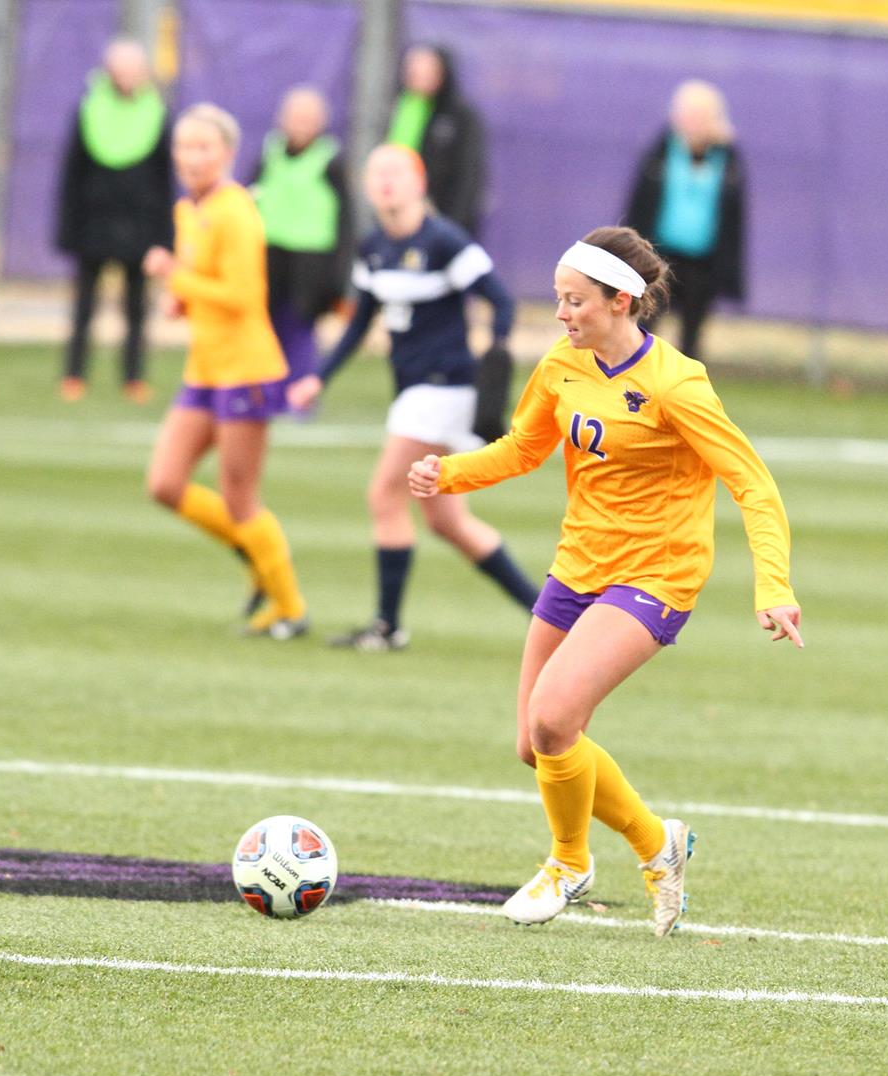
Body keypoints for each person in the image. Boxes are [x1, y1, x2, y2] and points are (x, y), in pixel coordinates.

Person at [407, 226, 801, 936]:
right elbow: (524, 447)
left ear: (622, 301)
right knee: (535, 742)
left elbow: (752, 483)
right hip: (578, 564)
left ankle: (568, 864)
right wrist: (449, 474)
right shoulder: (563, 363)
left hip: (657, 573)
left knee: (554, 717)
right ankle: (658, 843)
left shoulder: (676, 383)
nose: (561, 314)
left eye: (575, 300)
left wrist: (773, 585)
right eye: (559, 298)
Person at [289, 145, 535, 652]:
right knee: (448, 521)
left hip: (442, 388)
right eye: (376, 172)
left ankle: (387, 627)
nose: (385, 181)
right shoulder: (374, 246)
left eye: (396, 172)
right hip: (419, 391)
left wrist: (496, 356)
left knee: (385, 495)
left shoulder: (445, 241)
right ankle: (550, 614)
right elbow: (360, 322)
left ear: (419, 183)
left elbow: (500, 300)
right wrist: (320, 378)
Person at [141, 104, 310, 639]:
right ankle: (259, 561)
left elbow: (242, 296)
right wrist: (179, 300)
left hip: (246, 371)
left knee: (240, 497)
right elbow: (201, 282)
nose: (191, 157)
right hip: (205, 370)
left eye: (203, 147)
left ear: (227, 154)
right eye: (184, 146)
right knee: (165, 483)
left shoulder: (236, 210)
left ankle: (289, 607)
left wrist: (174, 277)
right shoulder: (188, 209)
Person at [55, 36, 174, 403]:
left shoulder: (157, 112)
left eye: (133, 69)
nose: (127, 76)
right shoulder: (89, 109)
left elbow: (164, 179)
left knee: (137, 309)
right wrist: (67, 228)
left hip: (140, 227)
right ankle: (74, 375)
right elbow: (72, 172)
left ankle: (134, 378)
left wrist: (164, 237)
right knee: (83, 306)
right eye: (120, 69)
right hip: (93, 225)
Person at [623, 80, 746, 361]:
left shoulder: (727, 158)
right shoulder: (661, 152)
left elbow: (733, 218)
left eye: (700, 115)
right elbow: (640, 204)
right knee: (643, 327)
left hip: (703, 262)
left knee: (691, 339)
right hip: (658, 256)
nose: (692, 121)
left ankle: (684, 387)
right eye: (687, 113)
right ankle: (635, 378)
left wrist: (728, 267)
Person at [249, 86, 352, 395]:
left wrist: (340, 272)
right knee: (268, 324)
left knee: (300, 324)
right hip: (269, 251)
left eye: (308, 118)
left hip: (312, 257)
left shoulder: (330, 160)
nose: (301, 125)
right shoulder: (269, 154)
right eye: (295, 117)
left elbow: (346, 219)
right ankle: (268, 390)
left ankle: (300, 391)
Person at [386, 44, 486, 235]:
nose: (418, 75)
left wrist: (452, 225)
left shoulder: (460, 116)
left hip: (443, 219)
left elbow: (469, 174)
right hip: (401, 220)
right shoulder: (399, 110)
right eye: (413, 69)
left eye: (427, 70)